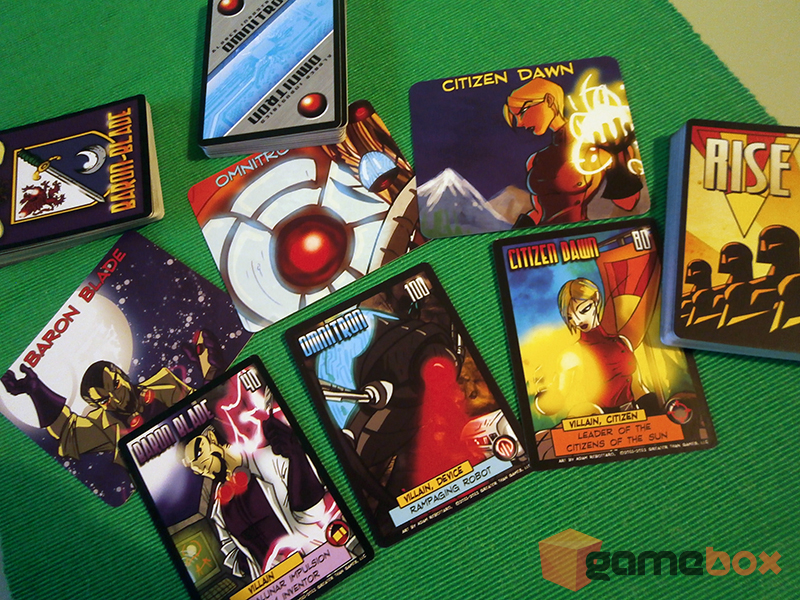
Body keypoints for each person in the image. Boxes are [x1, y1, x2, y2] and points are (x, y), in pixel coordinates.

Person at [0, 330, 223, 465]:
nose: (118, 399)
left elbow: (204, 407)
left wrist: (211, 372)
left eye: (116, 385)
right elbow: (68, 430)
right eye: (105, 400)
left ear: (122, 375)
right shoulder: (105, 426)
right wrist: (37, 391)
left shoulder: (165, 382)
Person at [181, 418, 327, 579]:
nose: (198, 467)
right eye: (193, 466)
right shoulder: (219, 507)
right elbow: (230, 548)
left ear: (211, 438)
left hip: (316, 563)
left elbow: (314, 512)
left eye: (198, 454)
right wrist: (254, 568)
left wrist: (296, 458)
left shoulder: (270, 459)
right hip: (275, 585)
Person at [503, 78, 642, 226]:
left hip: (579, 233)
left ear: (549, 100)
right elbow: (538, 212)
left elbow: (628, 204)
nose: (519, 123)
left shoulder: (596, 147)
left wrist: (619, 156)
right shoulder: (536, 159)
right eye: (515, 117)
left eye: (522, 112)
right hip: (545, 235)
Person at [534, 278, 646, 417]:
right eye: (570, 317)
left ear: (596, 299)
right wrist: (544, 396)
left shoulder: (622, 342)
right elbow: (559, 397)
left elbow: (638, 387)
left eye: (583, 310)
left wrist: (654, 408)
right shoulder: (572, 353)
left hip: (634, 414)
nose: (578, 321)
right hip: (601, 418)